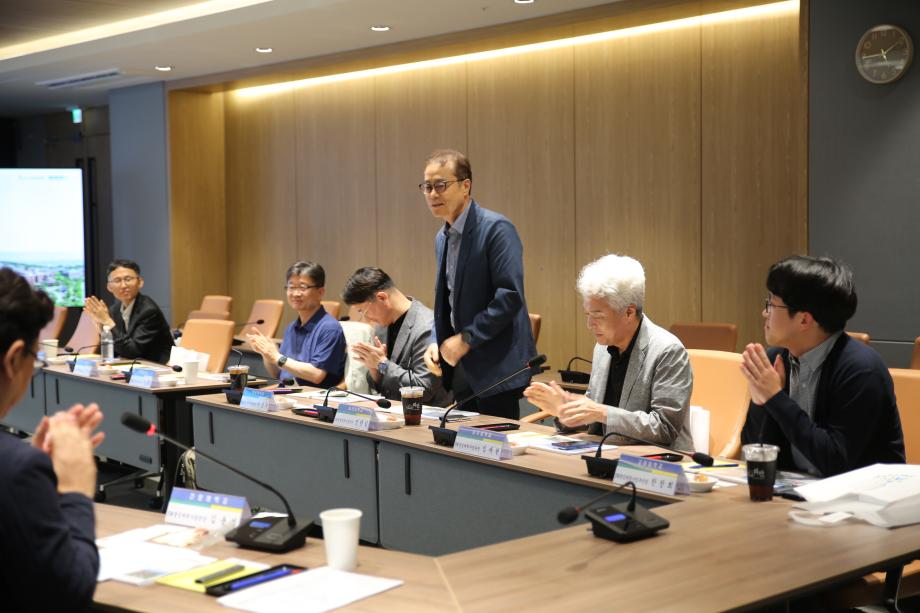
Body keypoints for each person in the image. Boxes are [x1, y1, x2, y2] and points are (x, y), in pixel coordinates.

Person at [0, 267, 106, 612]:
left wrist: (27, 472)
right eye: (35, 358)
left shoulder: (16, 468)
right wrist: (74, 490)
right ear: (13, 359)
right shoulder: (15, 469)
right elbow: (69, 592)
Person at [740, 255, 904, 477]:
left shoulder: (862, 370)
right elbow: (754, 450)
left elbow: (836, 462)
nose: (764, 312)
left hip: (863, 493)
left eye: (771, 304)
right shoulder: (775, 360)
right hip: (795, 490)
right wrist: (763, 402)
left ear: (804, 320)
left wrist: (775, 398)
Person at [524, 255, 694, 448]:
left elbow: (664, 428)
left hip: (657, 461)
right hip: (606, 452)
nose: (589, 324)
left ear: (629, 312)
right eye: (588, 314)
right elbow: (594, 418)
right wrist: (566, 411)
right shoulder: (602, 348)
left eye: (598, 316)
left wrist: (601, 412)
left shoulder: (668, 351)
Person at [421, 149, 536, 419]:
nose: (433, 194)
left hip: (496, 366)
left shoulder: (496, 229)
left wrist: (466, 339)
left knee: (492, 443)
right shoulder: (442, 237)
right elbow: (448, 302)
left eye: (441, 185)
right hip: (463, 367)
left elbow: (509, 296)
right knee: (462, 441)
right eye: (427, 187)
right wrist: (437, 341)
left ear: (465, 186)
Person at [342, 267, 450, 406]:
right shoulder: (381, 326)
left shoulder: (427, 326)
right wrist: (374, 368)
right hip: (392, 410)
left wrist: (382, 364)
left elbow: (425, 389)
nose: (365, 318)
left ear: (382, 298)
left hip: (425, 414)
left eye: (363, 311)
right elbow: (381, 385)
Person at [247, 261, 346, 388]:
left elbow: (316, 375)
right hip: (287, 392)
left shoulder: (330, 328)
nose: (295, 293)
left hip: (311, 396)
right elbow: (279, 374)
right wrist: (266, 354)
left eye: (303, 287)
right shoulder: (291, 328)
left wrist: (276, 357)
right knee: (243, 397)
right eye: (291, 287)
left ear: (320, 292)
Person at [83, 259, 174, 363]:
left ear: (140, 282)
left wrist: (107, 321)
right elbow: (116, 351)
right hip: (133, 365)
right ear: (109, 287)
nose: (123, 285)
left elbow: (132, 351)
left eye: (128, 279)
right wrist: (102, 329)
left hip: (158, 366)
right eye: (117, 281)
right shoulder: (115, 310)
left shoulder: (148, 310)